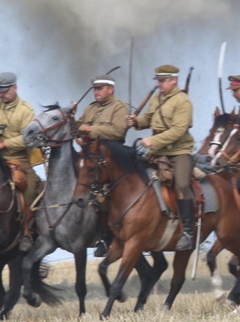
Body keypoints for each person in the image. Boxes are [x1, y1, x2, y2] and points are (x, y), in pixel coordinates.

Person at [127, 64, 195, 250]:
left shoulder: (183, 101)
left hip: (178, 151)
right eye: (158, 81)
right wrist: (135, 122)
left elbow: (179, 131)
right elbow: (147, 119)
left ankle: (188, 232)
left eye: (163, 81)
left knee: (181, 184)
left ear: (174, 80)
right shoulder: (157, 98)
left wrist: (153, 140)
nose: (160, 84)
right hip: (157, 151)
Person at [0, 72, 41, 251]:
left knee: (30, 189)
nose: (2, 95)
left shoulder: (25, 110)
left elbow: (29, 138)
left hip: (17, 160)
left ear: (15, 88)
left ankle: (27, 232)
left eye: (5, 91)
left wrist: (4, 144)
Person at [77, 74, 129, 256]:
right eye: (95, 89)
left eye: (100, 89)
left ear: (110, 89)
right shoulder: (90, 108)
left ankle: (105, 238)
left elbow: (118, 131)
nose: (96, 92)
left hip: (111, 160)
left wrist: (91, 129)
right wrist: (71, 121)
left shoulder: (119, 107)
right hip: (91, 157)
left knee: (102, 196)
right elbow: (79, 126)